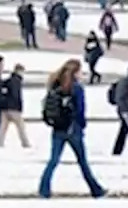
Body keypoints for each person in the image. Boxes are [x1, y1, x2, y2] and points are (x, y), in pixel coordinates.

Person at [38, 59, 105, 198]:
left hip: (58, 128)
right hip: (73, 129)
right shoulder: (76, 88)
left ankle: (44, 188)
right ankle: (96, 189)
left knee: (53, 160)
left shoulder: (55, 85)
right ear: (75, 73)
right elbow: (80, 110)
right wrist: (82, 125)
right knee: (82, 161)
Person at [0, 64, 29, 148]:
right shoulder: (17, 81)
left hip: (4, 107)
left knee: (2, 127)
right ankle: (25, 143)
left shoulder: (9, 80)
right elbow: (16, 95)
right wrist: (19, 106)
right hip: (14, 108)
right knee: (21, 126)